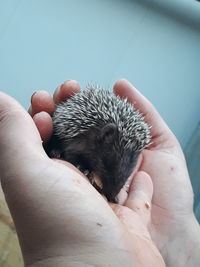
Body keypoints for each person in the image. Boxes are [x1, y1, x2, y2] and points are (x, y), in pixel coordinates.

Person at [0, 79, 199, 267]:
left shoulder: (121, 150)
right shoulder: (84, 135)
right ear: (103, 137)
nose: (113, 191)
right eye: (108, 166)